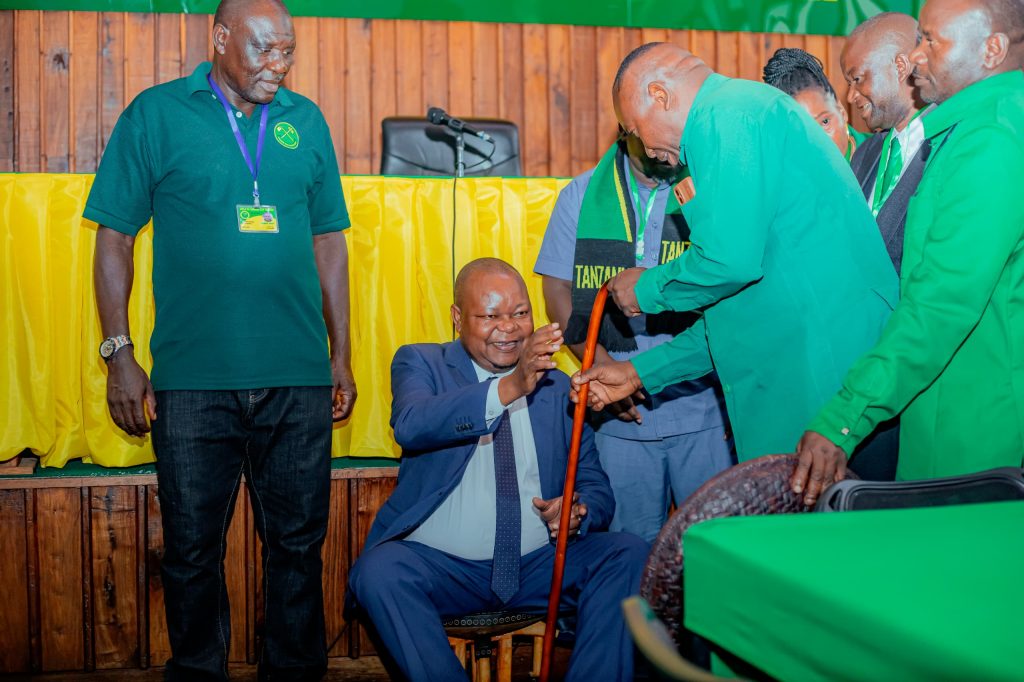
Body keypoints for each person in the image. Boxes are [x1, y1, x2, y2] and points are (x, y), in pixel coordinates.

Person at [85, 0, 356, 678]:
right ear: (220, 37)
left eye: (288, 50)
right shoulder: (156, 114)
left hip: (298, 378)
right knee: (191, 552)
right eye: (264, 49)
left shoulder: (305, 120)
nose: (278, 64)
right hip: (193, 382)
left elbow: (329, 241)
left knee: (298, 549)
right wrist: (119, 354)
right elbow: (114, 238)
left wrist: (341, 354)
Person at [570, 43, 899, 472]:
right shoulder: (734, 118)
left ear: (660, 95)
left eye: (635, 130)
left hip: (827, 387)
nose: (646, 150)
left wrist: (646, 288)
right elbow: (736, 318)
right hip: (810, 376)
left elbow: (728, 263)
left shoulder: (727, 114)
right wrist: (637, 374)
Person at [348, 259, 647, 682]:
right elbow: (412, 424)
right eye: (489, 316)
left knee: (627, 552)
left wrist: (577, 511)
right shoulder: (423, 362)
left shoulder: (559, 387)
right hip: (444, 569)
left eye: (520, 313)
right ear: (457, 318)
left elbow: (594, 485)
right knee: (378, 571)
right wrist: (510, 386)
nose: (507, 328)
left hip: (538, 565)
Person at [795, 0, 1024, 502]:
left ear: (991, 50)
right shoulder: (978, 128)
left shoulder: (990, 139)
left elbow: (941, 305)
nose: (915, 56)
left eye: (931, 41)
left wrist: (844, 418)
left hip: (969, 430)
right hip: (947, 405)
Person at [534, 131, 733, 543]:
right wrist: (603, 366)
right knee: (628, 550)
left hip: (703, 407)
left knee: (715, 551)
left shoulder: (709, 190)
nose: (664, 145)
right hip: (620, 414)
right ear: (627, 129)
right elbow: (557, 291)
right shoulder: (582, 195)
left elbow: (734, 286)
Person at [843, 12, 931, 275]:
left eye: (857, 79)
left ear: (900, 67)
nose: (850, 96)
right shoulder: (865, 154)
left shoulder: (950, 148)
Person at [763, 47, 859, 159]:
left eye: (825, 122)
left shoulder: (877, 154)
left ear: (841, 111)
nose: (819, 142)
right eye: (801, 134)